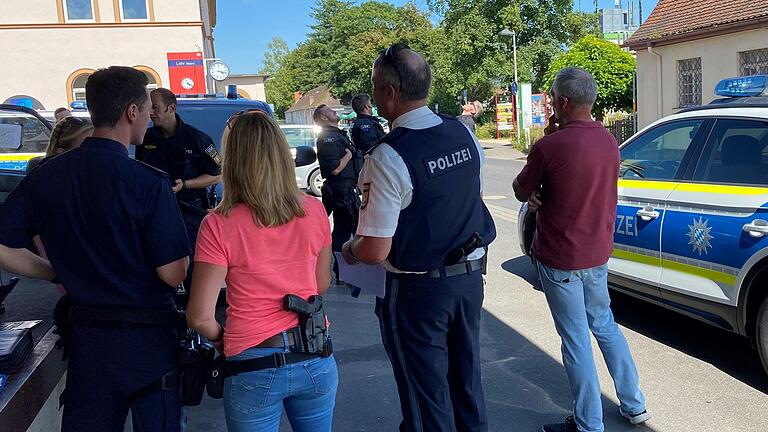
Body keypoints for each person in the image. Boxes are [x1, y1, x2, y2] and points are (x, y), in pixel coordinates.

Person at [0, 66, 190, 431]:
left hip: (88, 342)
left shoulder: (48, 175)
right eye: (145, 109)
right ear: (131, 112)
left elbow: (3, 243)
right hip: (149, 342)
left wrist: (54, 271)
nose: (148, 118)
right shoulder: (147, 182)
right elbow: (173, 272)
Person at [342, 43, 496, 432]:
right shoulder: (462, 133)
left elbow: (375, 249)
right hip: (468, 280)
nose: (374, 95)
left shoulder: (387, 156)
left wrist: (348, 249)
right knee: (467, 386)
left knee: (425, 399)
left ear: (389, 93)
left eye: (375, 87)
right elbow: (467, 198)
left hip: (418, 293)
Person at [513, 67, 650, 432]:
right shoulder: (609, 141)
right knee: (605, 325)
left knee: (575, 339)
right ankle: (635, 404)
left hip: (561, 257)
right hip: (597, 253)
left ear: (561, 101)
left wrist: (537, 185)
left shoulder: (548, 147)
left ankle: (589, 423)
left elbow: (520, 188)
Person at [186, 110, 338, 432]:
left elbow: (199, 317)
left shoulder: (218, 224)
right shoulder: (314, 210)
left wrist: (221, 340)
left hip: (254, 361)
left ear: (233, 161)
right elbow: (320, 284)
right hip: (314, 353)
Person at [135, 88, 222, 293]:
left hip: (190, 212)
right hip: (156, 213)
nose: (151, 112)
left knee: (193, 269)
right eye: (149, 108)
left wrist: (185, 184)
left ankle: (196, 318)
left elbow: (216, 174)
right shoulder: (146, 139)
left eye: (155, 108)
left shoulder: (197, 139)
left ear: (171, 108)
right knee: (159, 264)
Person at [313, 104, 363, 283]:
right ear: (324, 118)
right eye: (330, 111)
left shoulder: (336, 135)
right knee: (347, 231)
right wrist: (348, 156)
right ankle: (344, 271)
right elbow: (334, 169)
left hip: (346, 189)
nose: (334, 112)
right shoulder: (328, 139)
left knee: (345, 230)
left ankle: (344, 272)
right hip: (340, 191)